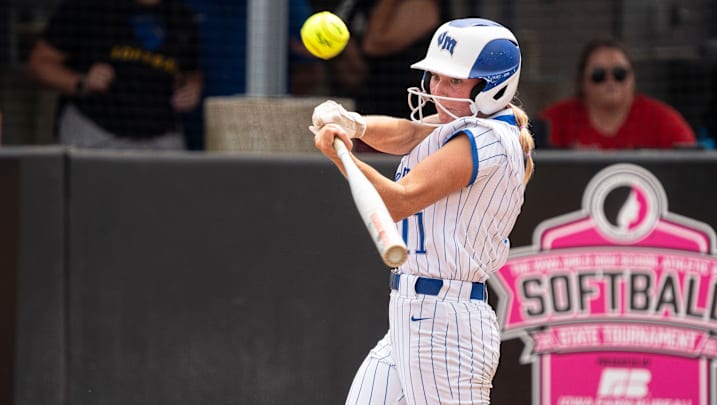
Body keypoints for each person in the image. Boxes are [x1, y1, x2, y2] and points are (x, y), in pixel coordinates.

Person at [311, 18, 535, 404]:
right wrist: (353, 125)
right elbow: (409, 133)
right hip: (412, 313)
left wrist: (340, 157)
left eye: (453, 81)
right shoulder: (463, 122)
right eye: (435, 76)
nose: (436, 88)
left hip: (447, 326)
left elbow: (399, 200)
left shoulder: (489, 140)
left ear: (491, 88)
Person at [27, 0, 202, 150]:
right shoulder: (88, 5)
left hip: (160, 142)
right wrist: (81, 82)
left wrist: (191, 88)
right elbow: (39, 63)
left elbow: (190, 72)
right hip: (94, 135)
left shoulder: (182, 15)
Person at [180, 0, 324, 149]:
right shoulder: (185, 7)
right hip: (196, 132)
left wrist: (276, 112)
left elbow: (309, 71)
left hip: (269, 131)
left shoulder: (286, 5)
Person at [329, 0, 448, 153]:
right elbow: (353, 73)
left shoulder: (423, 4)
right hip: (368, 122)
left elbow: (376, 42)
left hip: (409, 129)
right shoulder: (353, 5)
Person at [538, 38, 696, 150]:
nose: (610, 81)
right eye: (599, 75)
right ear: (582, 81)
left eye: (620, 74)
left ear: (633, 77)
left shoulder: (663, 120)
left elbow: (690, 166)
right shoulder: (556, 119)